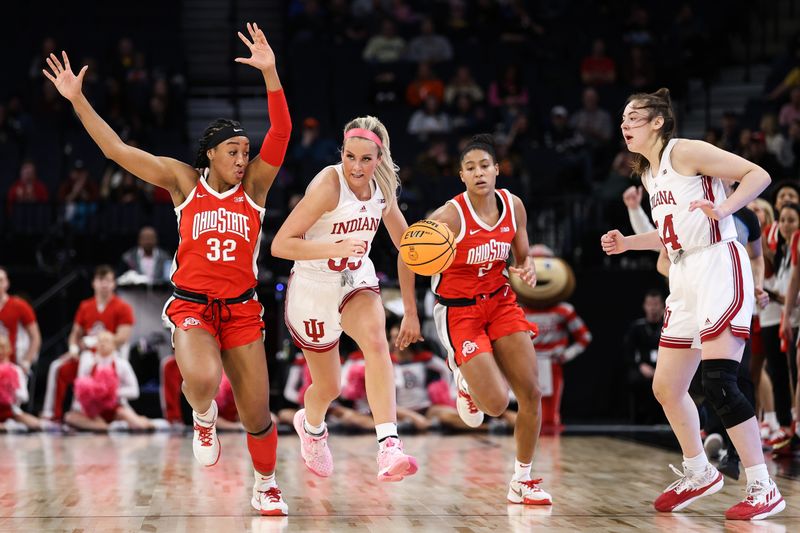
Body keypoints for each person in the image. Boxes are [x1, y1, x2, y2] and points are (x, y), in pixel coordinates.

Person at [43, 22, 292, 516]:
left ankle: (266, 484)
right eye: (234, 152)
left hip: (242, 309)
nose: (244, 160)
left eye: (246, 152)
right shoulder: (184, 181)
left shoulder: (256, 190)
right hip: (194, 306)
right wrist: (77, 99)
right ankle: (202, 416)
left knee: (257, 413)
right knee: (201, 380)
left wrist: (271, 74)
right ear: (210, 155)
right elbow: (117, 151)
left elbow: (281, 132)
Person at [601, 88, 784, 520]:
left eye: (634, 117)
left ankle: (763, 485)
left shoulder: (687, 151)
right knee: (666, 387)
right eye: (623, 118)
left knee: (720, 381)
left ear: (658, 122)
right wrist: (629, 242)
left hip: (719, 262)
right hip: (683, 273)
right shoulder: (649, 173)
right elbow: (672, 233)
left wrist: (725, 208)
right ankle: (699, 470)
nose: (624, 125)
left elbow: (757, 175)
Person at [271, 116, 421, 483]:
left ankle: (388, 445)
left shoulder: (383, 189)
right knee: (329, 388)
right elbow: (280, 245)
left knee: (375, 341)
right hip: (312, 285)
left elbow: (410, 250)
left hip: (354, 279)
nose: (356, 166)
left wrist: (412, 310)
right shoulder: (328, 183)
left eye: (366, 159)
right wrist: (334, 246)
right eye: (350, 156)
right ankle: (312, 427)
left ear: (379, 158)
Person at [426, 133, 552, 506]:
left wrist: (525, 267)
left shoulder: (514, 205)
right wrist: (412, 321)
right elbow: (406, 256)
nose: (479, 173)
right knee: (496, 406)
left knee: (530, 392)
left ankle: (522, 480)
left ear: (497, 169)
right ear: (461, 176)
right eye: (470, 168)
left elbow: (521, 253)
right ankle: (463, 376)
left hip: (499, 301)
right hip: (458, 310)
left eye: (485, 166)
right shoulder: (450, 215)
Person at [41, 265, 134, 422]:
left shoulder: (123, 307)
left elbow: (123, 337)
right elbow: (75, 334)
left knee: (87, 364)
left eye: (108, 281)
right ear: (94, 283)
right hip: (87, 353)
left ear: (114, 284)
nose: (104, 284)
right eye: (101, 280)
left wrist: (97, 342)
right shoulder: (85, 306)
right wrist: (73, 348)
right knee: (57, 367)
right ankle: (52, 414)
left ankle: (81, 409)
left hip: (108, 356)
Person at [64, 331, 167, 432]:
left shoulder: (121, 364)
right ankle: (104, 426)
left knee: (139, 425)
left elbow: (134, 391)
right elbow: (79, 391)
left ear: (113, 345)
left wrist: (112, 393)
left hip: (116, 408)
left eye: (106, 341)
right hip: (94, 410)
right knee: (69, 417)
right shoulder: (89, 363)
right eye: (100, 341)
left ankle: (149, 422)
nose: (103, 344)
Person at [0, 267, 41, 374]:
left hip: (14, 364)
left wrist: (27, 361)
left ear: (7, 283)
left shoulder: (19, 306)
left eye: (0, 280)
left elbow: (35, 337)